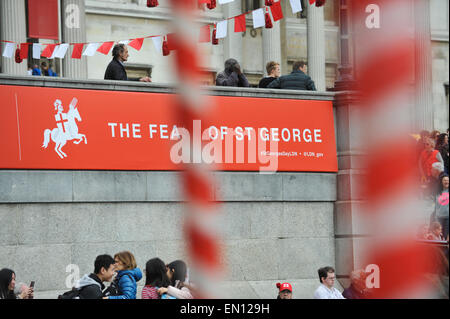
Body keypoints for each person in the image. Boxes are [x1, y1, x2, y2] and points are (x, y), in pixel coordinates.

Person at [435, 174, 449, 240]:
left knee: (446, 235)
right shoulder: (438, 192)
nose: (446, 181)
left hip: (447, 218)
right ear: (441, 182)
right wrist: (435, 217)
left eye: (448, 180)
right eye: (444, 180)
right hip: (439, 217)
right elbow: (436, 206)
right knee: (438, 235)